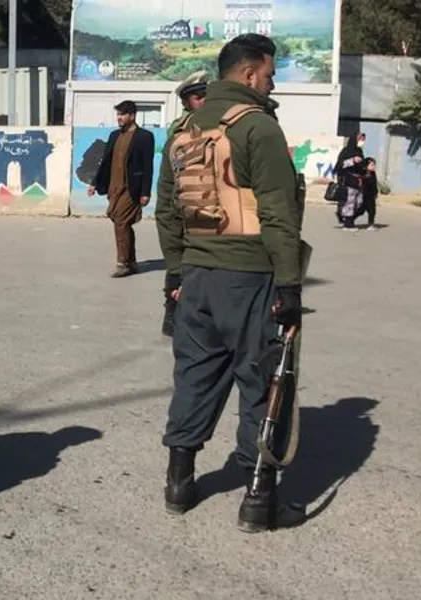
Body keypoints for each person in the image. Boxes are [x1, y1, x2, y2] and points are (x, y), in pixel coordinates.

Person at [155, 33, 307, 532]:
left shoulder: (183, 130)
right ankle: (258, 501)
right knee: (264, 381)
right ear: (247, 73)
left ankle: (179, 483)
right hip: (251, 276)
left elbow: (168, 212)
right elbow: (279, 214)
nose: (272, 81)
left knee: (195, 376)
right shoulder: (257, 128)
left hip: (197, 277)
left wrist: (175, 275)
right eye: (268, 73)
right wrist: (289, 286)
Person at [156, 71, 210, 337]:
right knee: (179, 273)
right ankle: (173, 311)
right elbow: (167, 199)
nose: (204, 102)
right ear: (187, 103)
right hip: (185, 220)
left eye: (206, 97)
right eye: (198, 98)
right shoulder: (179, 137)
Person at [88, 100, 156, 278]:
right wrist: (95, 183)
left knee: (120, 222)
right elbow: (106, 162)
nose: (119, 118)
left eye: (122, 114)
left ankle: (123, 263)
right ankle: (131, 261)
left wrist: (145, 192)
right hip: (114, 188)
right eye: (117, 114)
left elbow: (148, 167)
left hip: (131, 188)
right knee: (120, 221)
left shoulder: (144, 137)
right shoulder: (114, 136)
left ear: (132, 116)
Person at [334, 133, 366, 230]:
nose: (362, 142)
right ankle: (348, 223)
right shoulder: (346, 151)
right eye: (360, 139)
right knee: (350, 202)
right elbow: (340, 165)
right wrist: (352, 160)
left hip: (358, 181)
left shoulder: (359, 151)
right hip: (348, 180)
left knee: (359, 202)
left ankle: (342, 216)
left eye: (363, 140)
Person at [360, 157, 378, 230]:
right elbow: (364, 186)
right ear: (366, 165)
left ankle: (371, 224)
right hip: (365, 195)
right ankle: (349, 221)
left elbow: (374, 184)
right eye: (372, 165)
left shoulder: (373, 173)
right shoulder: (364, 174)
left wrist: (376, 193)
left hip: (371, 195)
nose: (374, 166)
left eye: (374, 165)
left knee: (372, 211)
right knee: (360, 211)